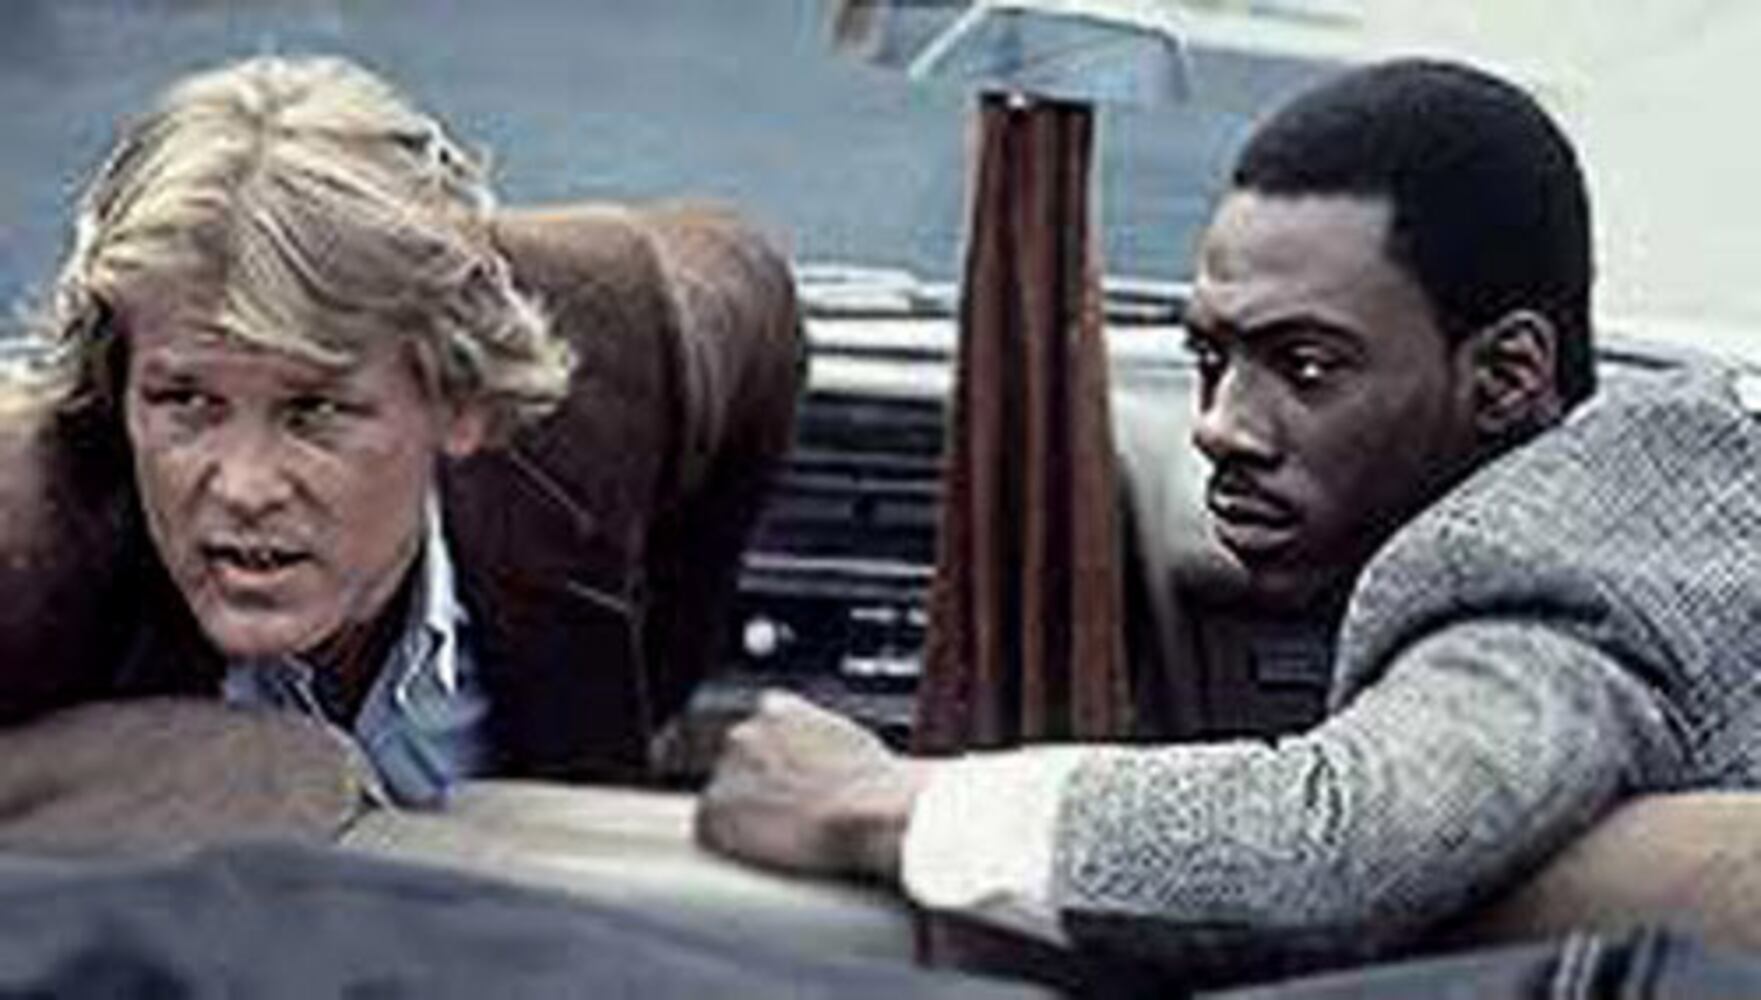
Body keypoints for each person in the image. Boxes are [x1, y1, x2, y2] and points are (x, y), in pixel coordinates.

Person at [696, 58, 1761, 982]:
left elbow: (1340, 843)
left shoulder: (1543, 581)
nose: (1219, 427)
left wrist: (884, 801)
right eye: (1212, 357)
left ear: (1506, 376)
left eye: (1308, 367)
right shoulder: (1678, 469)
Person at [0, 54, 801, 807]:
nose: (243, 487)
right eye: (185, 401)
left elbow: (751, 288)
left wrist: (658, 676)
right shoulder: (30, 545)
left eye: (314, 411)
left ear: (459, 401)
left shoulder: (623, 333)